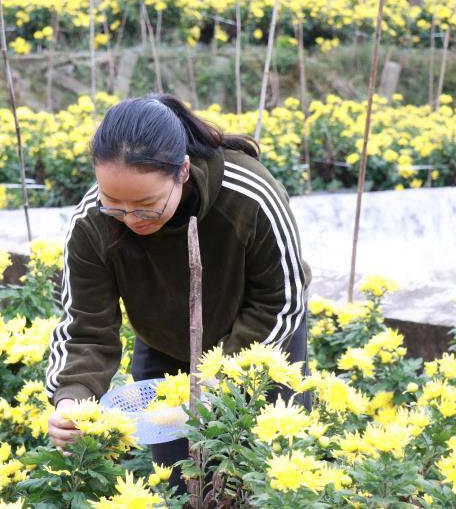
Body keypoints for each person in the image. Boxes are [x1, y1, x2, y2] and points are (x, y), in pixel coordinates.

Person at [45, 93, 312, 494]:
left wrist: (218, 381)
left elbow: (281, 300)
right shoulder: (92, 223)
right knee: (181, 485)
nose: (130, 218)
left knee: (271, 480)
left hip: (261, 354)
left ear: (183, 171)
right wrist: (72, 400)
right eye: (114, 203)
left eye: (146, 206)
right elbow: (85, 327)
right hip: (167, 353)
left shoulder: (249, 196)